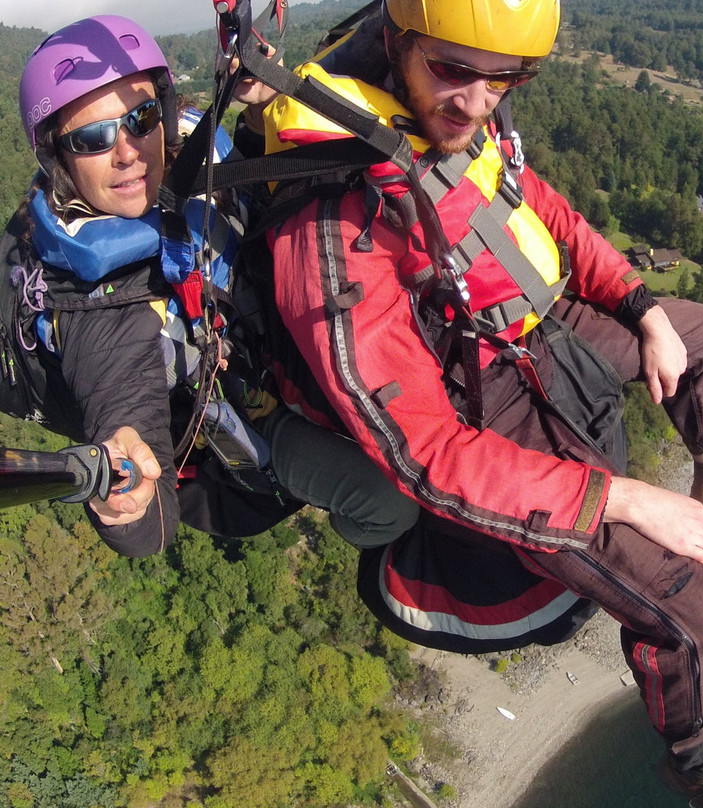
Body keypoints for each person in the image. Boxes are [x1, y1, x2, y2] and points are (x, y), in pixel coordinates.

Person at [264, 0, 703, 805]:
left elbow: (543, 215)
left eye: (507, 78)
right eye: (454, 71)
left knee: (701, 331)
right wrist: (623, 497)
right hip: (486, 408)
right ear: (399, 42)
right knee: (697, 615)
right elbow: (423, 452)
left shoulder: (451, 125)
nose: (478, 101)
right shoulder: (336, 214)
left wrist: (642, 307)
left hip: (533, 327)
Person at [5, 15, 418, 556]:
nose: (127, 151)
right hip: (248, 419)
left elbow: (237, 171)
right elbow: (146, 515)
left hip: (268, 327)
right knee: (392, 506)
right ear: (59, 160)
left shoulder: (187, 149)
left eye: (141, 117)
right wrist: (125, 501)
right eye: (92, 138)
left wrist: (259, 108)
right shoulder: (104, 313)